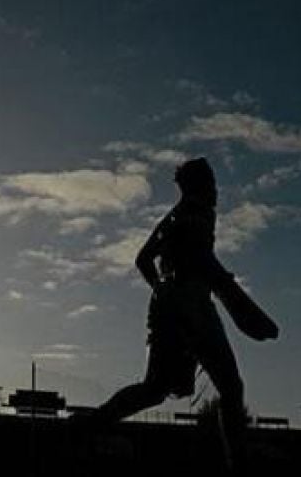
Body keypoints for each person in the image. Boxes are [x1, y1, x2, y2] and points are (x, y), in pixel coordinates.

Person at [73, 157, 275, 473]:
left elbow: (143, 259)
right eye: (212, 184)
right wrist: (234, 298)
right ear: (201, 185)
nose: (216, 191)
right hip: (191, 302)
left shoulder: (172, 218)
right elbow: (203, 261)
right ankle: (239, 465)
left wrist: (161, 290)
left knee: (154, 389)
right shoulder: (199, 214)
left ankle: (90, 423)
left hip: (166, 305)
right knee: (231, 387)